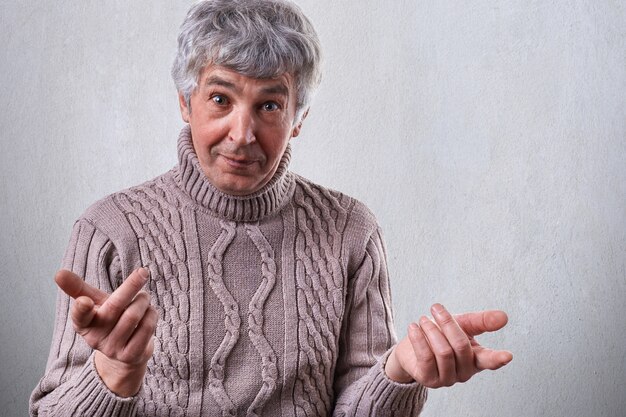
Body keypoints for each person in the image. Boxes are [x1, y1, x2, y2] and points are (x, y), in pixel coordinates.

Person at [30, 0, 512, 416]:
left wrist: (400, 371)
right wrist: (112, 372)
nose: (242, 134)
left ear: (298, 118)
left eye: (269, 106)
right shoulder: (110, 230)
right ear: (185, 101)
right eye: (220, 98)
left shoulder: (350, 231)